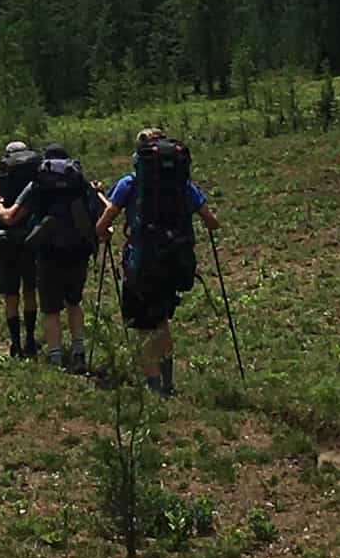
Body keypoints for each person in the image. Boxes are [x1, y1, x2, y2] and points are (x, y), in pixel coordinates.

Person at [97, 126, 219, 396]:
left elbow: (106, 220)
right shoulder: (183, 185)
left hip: (141, 263)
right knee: (162, 321)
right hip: (174, 260)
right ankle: (168, 382)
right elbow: (211, 221)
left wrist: (103, 233)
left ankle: (153, 389)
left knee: (142, 326)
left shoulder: (130, 183)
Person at [20, 139, 102, 371]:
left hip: (48, 252)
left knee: (51, 309)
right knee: (74, 302)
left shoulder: (39, 182)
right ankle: (79, 353)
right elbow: (97, 209)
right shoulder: (78, 181)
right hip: (77, 252)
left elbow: (20, 211)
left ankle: (55, 358)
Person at [0, 139, 42, 356]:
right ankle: (31, 339)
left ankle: (15, 343)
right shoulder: (38, 181)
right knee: (30, 291)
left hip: (4, 243)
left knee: (11, 295)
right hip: (33, 240)